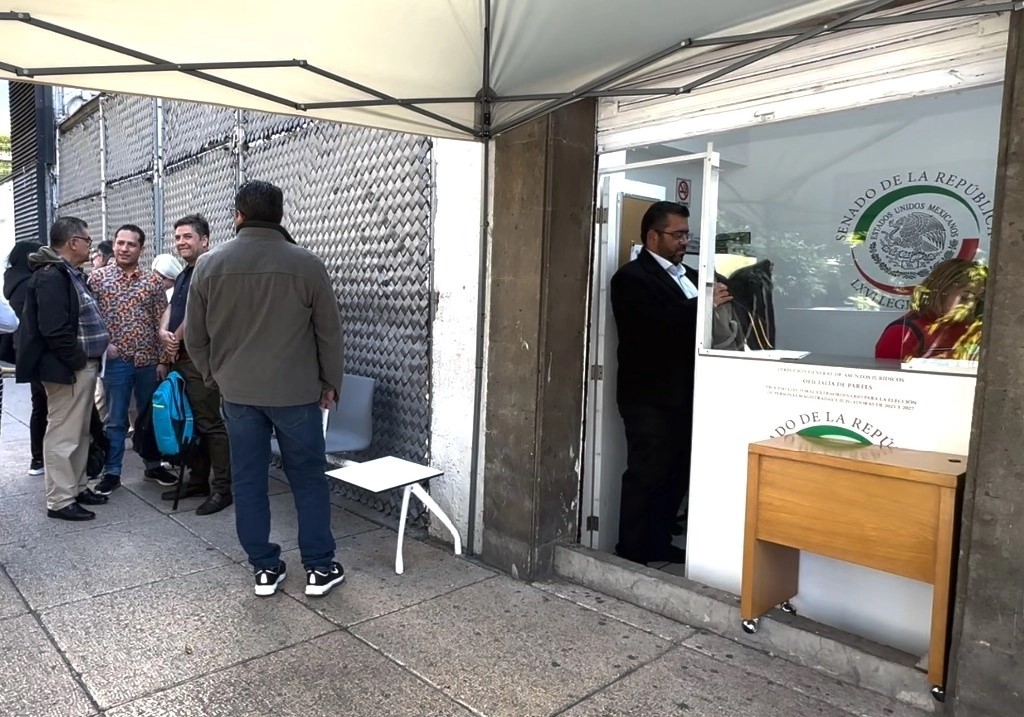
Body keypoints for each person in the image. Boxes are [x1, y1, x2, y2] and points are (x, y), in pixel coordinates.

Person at [186, 180, 345, 598]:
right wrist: (330, 382)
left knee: (249, 480)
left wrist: (213, 375)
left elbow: (194, 338)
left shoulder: (209, 264)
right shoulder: (307, 264)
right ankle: (319, 567)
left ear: (238, 215)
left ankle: (264, 569)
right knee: (308, 479)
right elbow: (328, 333)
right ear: (279, 215)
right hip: (297, 395)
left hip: (238, 395)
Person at [609, 201, 732, 566]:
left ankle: (658, 542)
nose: (684, 241)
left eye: (686, 235)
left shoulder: (693, 277)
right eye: (677, 235)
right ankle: (630, 550)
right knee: (646, 474)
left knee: (676, 475)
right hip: (649, 398)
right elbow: (650, 330)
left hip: (689, 396)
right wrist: (701, 307)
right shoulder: (630, 278)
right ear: (652, 236)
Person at [15, 217, 110, 521]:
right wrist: (79, 361)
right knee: (63, 435)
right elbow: (54, 330)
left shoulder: (68, 273)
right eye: (87, 240)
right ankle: (59, 500)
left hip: (80, 368)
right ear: (73, 242)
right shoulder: (52, 276)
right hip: (69, 370)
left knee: (80, 433)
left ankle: (77, 487)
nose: (89, 245)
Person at [87, 224, 177, 495]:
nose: (125, 248)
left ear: (141, 248)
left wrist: (163, 360)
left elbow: (162, 319)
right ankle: (112, 472)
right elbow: (90, 321)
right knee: (115, 419)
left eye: (131, 244)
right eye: (120, 243)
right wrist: (104, 347)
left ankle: (153, 464)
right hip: (116, 362)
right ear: (114, 245)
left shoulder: (152, 282)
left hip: (149, 361)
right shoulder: (98, 279)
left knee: (149, 416)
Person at [157, 215, 233, 515]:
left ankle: (222, 489)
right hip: (179, 361)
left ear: (204, 239)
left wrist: (174, 338)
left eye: (187, 236)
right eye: (177, 237)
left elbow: (199, 311)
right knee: (193, 425)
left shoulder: (210, 267)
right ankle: (198, 480)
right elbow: (173, 307)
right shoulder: (187, 271)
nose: (181, 242)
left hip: (200, 363)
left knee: (211, 425)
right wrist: (164, 333)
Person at [875, 259, 988, 362]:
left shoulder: (971, 328)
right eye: (965, 297)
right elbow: (891, 380)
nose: (972, 305)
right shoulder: (903, 332)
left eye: (978, 299)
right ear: (941, 292)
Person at [3, 241, 48, 475]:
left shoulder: (13, 281)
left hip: (23, 350)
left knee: (39, 405)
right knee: (51, 405)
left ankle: (37, 459)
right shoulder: (31, 282)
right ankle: (43, 458)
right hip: (38, 351)